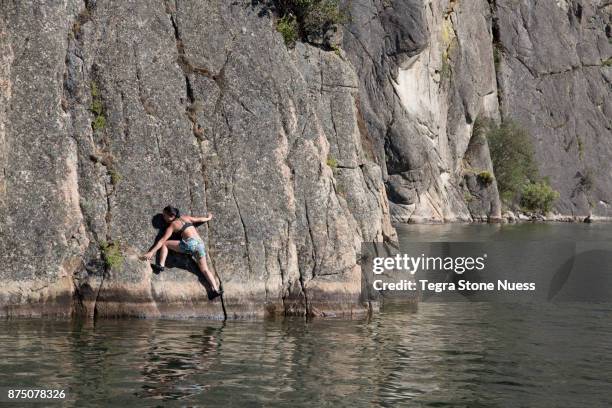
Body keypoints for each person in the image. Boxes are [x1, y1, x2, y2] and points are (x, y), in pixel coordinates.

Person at [141, 206, 222, 299]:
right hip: (200, 244)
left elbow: (162, 240)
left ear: (172, 216)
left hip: (190, 244)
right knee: (205, 269)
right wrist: (208, 218)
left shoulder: (173, 225)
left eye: (164, 215)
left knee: (165, 244)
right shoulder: (186, 218)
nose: (163, 218)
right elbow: (198, 219)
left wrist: (151, 252)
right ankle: (215, 289)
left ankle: (161, 265)